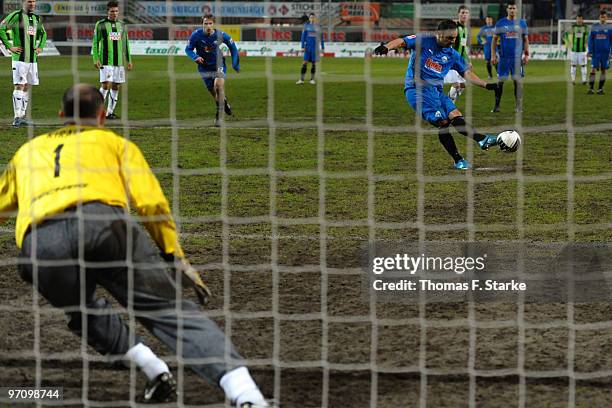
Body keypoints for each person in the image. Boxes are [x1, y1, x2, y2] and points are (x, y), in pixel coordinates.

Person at [0, 84, 270, 407]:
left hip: (40, 244)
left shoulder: (27, 152)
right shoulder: (114, 143)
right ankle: (247, 396)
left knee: (83, 311)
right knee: (169, 311)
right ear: (102, 116)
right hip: (105, 225)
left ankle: (155, 372)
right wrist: (174, 254)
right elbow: (151, 204)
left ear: (61, 116)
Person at [374, 20, 500, 170]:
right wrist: (387, 47)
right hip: (417, 91)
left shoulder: (452, 54)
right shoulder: (424, 40)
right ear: (439, 34)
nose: (453, 41)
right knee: (443, 122)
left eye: (454, 38)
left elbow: (466, 72)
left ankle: (482, 139)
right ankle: (458, 159)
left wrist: (486, 85)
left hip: (436, 91)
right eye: (449, 38)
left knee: (456, 115)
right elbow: (402, 41)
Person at [185, 14, 240, 127]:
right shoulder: (196, 35)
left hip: (218, 64)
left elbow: (233, 47)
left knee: (218, 85)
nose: (208, 26)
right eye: (206, 23)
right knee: (214, 92)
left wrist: (235, 63)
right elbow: (188, 49)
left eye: (210, 23)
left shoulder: (220, 35)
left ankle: (219, 116)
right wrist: (195, 57)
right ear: (202, 24)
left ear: (213, 24)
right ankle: (224, 103)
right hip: (204, 67)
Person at [0, 0, 46, 127]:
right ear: (23, 2)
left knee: (27, 86)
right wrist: (9, 47)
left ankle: (23, 116)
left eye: (34, 1)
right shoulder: (16, 15)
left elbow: (43, 34)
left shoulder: (37, 18)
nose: (32, 4)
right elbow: (1, 28)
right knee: (19, 85)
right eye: (29, 1)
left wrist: (40, 47)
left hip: (32, 59)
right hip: (19, 58)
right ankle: (17, 118)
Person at [92, 0, 133, 120]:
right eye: (112, 11)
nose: (114, 13)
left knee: (116, 86)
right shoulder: (101, 24)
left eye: (116, 11)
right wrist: (95, 58)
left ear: (118, 11)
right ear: (107, 12)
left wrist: (129, 60)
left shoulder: (123, 25)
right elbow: (95, 42)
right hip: (106, 60)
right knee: (106, 84)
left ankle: (109, 112)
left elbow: (126, 44)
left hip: (119, 62)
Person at [490, 2, 529, 113]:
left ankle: (518, 107)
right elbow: (494, 40)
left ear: (517, 10)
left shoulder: (522, 23)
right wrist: (493, 55)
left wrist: (526, 54)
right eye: (510, 8)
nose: (512, 10)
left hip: (517, 59)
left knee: (517, 82)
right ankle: (497, 106)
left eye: (514, 8)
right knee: (500, 82)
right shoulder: (501, 23)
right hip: (504, 58)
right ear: (507, 10)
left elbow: (526, 40)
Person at [445, 5, 471, 102]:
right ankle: (450, 105)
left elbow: (463, 47)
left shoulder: (465, 29)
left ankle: (451, 98)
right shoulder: (454, 26)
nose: (464, 15)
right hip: (452, 60)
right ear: (458, 14)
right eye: (462, 12)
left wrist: (468, 61)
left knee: (464, 84)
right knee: (456, 84)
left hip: (461, 60)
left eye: (466, 13)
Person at [587, 10, 611, 95]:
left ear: (606, 18)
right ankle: (591, 88)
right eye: (601, 17)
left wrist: (611, 52)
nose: (603, 18)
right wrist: (590, 51)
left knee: (603, 70)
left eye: (604, 17)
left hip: (605, 53)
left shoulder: (610, 28)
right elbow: (590, 40)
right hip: (595, 53)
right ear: (599, 18)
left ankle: (600, 89)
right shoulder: (594, 27)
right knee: (592, 69)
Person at [296, 13, 325, 85]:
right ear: (309, 18)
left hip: (315, 48)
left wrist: (323, 47)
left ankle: (312, 79)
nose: (312, 18)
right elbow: (303, 37)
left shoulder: (318, 27)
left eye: (313, 17)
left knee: (313, 63)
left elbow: (321, 38)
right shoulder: (306, 26)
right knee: (304, 63)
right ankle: (301, 79)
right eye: (311, 17)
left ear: (315, 18)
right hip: (307, 48)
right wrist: (302, 46)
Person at [566, 15, 589, 85]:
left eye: (580, 19)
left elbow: (589, 36)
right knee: (573, 65)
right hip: (574, 50)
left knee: (583, 65)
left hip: (582, 50)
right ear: (576, 20)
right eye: (578, 19)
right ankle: (572, 80)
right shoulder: (573, 27)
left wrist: (587, 42)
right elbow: (566, 35)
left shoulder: (585, 27)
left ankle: (584, 80)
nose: (579, 20)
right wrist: (569, 43)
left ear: (582, 20)